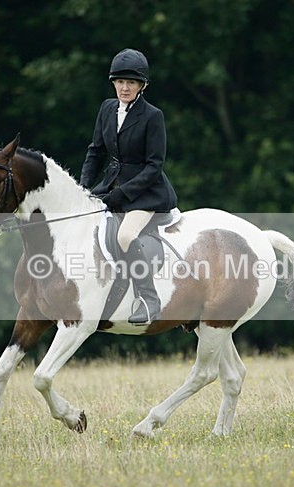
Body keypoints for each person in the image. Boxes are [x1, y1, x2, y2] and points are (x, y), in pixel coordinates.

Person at [80, 48, 178, 325]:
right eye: (120, 82)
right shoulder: (107, 108)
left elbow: (153, 165)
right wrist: (84, 188)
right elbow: (95, 151)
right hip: (110, 185)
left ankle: (149, 300)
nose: (124, 87)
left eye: (131, 83)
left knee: (124, 236)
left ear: (142, 86)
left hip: (146, 193)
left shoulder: (152, 116)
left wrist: (121, 194)